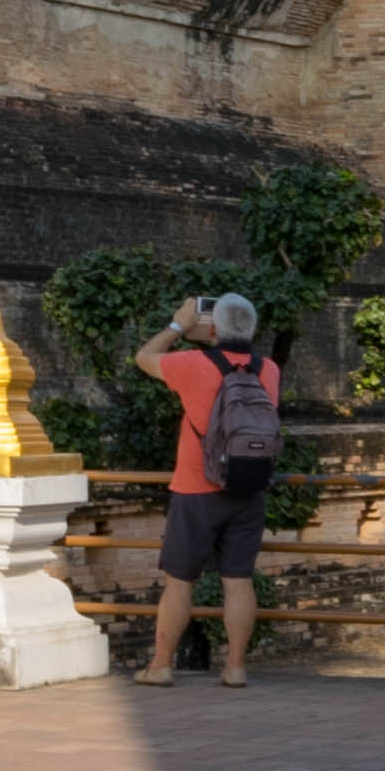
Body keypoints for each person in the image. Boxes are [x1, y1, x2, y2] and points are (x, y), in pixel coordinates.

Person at [129, 293, 282, 684]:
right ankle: (235, 667)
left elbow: (144, 358)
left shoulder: (192, 364)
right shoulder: (270, 369)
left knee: (180, 581)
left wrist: (180, 325)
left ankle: (161, 665)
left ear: (213, 329)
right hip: (248, 488)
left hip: (196, 488)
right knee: (238, 579)